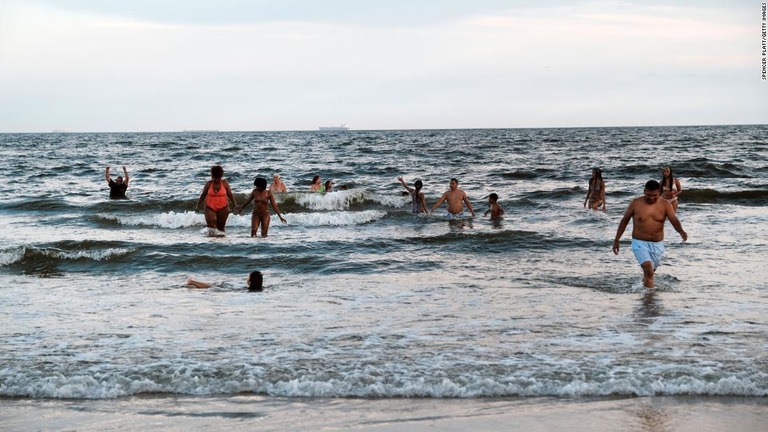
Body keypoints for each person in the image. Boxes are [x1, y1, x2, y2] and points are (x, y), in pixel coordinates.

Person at [613, 180, 688, 288]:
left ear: (660, 193)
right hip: (639, 242)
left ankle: (644, 291)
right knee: (648, 269)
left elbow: (673, 219)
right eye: (648, 195)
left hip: (657, 244)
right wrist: (616, 240)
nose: (651, 198)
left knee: (650, 272)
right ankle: (649, 300)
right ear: (644, 191)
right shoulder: (636, 203)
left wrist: (680, 231)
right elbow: (625, 220)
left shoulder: (665, 204)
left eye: (655, 195)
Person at [195, 165, 237, 232]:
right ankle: (212, 241)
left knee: (221, 228)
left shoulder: (225, 183)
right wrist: (198, 205)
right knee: (211, 226)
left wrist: (234, 204)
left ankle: (220, 241)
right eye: (215, 178)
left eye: (218, 178)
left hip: (224, 207)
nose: (216, 180)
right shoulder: (208, 184)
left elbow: (230, 194)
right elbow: (203, 195)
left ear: (221, 176)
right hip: (210, 207)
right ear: (212, 176)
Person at [186, 271, 264, 292]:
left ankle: (192, 281)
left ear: (250, 281)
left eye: (248, 277)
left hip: (234, 291)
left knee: (212, 287)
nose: (247, 278)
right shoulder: (262, 289)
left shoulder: (247, 289)